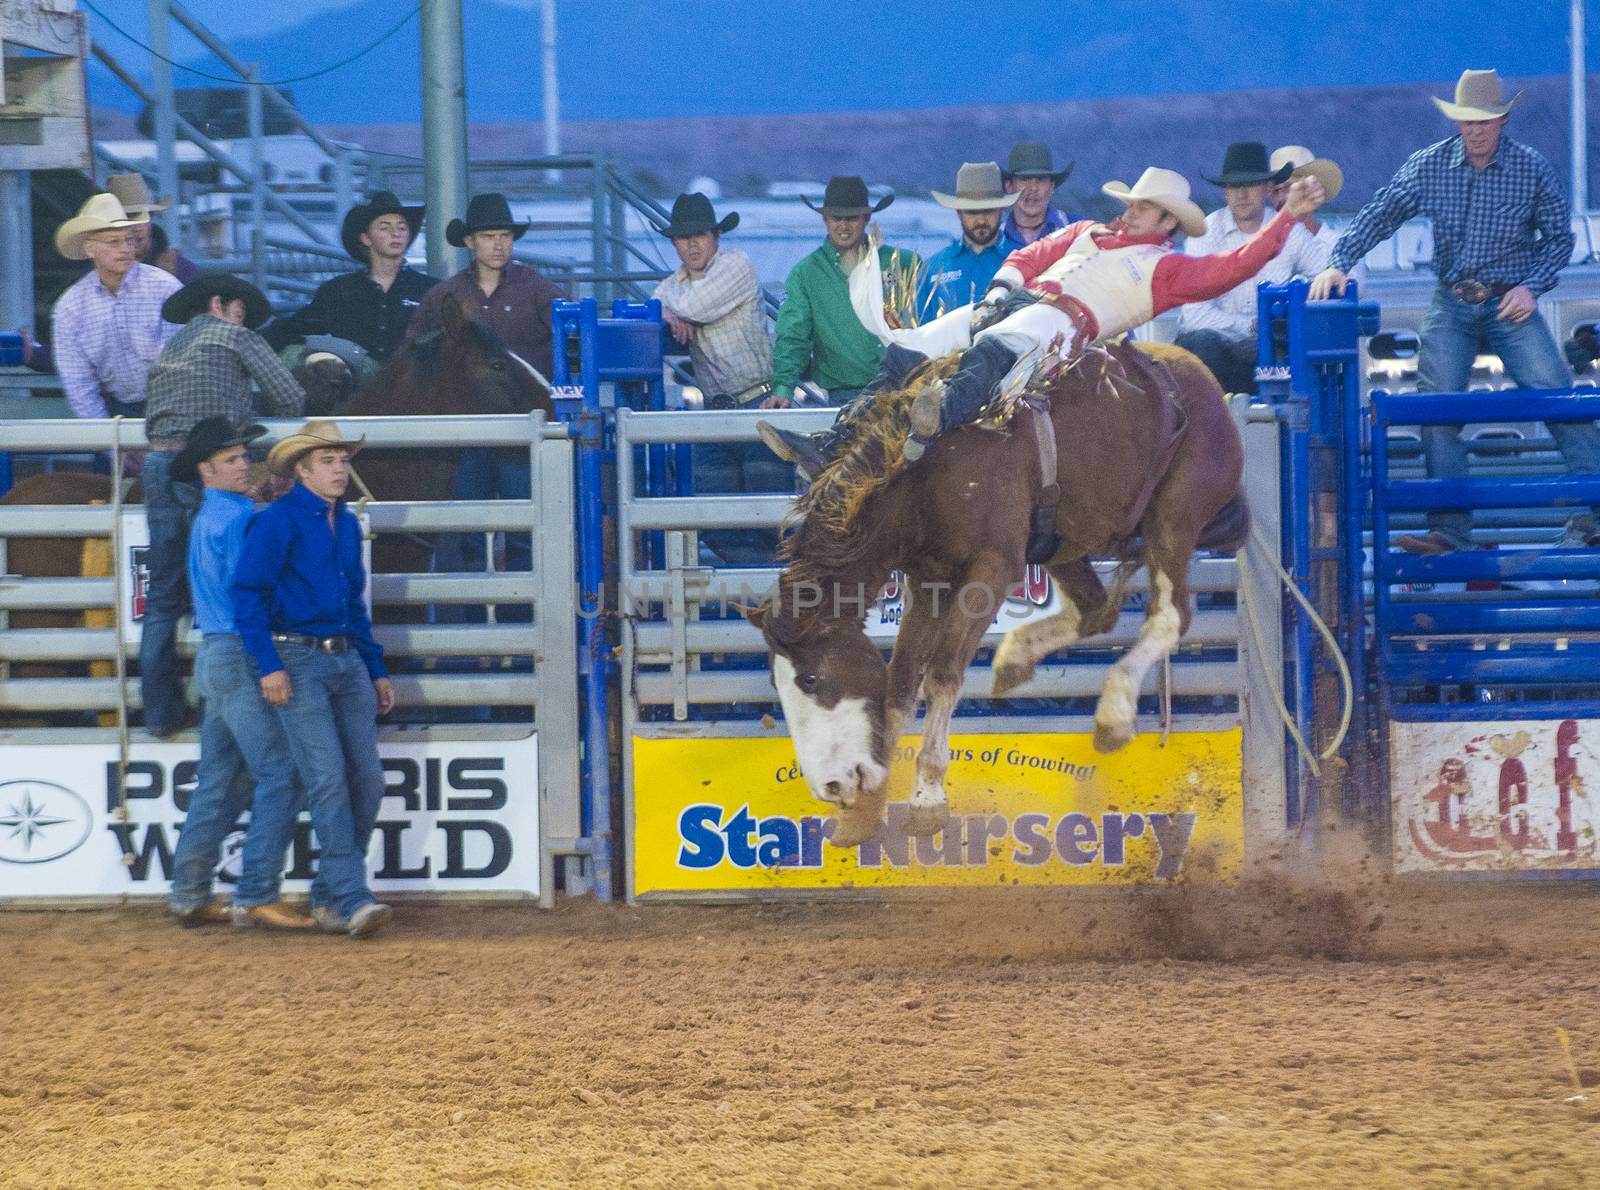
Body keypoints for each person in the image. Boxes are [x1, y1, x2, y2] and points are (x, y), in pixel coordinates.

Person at [760, 167, 1327, 474]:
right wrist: (1001, 289)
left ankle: (927, 427)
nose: (1130, 210)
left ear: (1165, 220)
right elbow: (1032, 255)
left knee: (998, 350)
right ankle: (834, 444)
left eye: (1143, 206)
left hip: (1066, 326)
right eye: (1132, 201)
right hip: (1021, 301)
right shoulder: (1086, 232)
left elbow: (1233, 267)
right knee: (908, 348)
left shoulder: (1166, 267)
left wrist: (1284, 224)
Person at [1311, 68, 1600, 553]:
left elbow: (1560, 239)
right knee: (1435, 407)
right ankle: (1450, 530)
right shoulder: (1430, 165)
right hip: (1452, 297)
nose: (1475, 130)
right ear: (1457, 122)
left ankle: (1592, 515)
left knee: (1559, 399)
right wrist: (1338, 261)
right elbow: (1383, 211)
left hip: (1511, 299)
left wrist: (1531, 287)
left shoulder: (1530, 168)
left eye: (1484, 121)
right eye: (1467, 122)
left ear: (1502, 120)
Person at [232, 420, 394, 938]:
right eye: (328, 461)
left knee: (365, 778)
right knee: (327, 777)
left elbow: (353, 604)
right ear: (301, 470)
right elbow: (247, 596)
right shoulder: (278, 522)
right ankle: (347, 897)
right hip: (296, 657)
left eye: (343, 460)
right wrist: (269, 664)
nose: (340, 469)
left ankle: (333, 894)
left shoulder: (343, 525)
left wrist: (375, 667)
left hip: (341, 659)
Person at [139, 272, 305, 738]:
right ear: (220, 304)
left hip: (158, 466)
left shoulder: (169, 349)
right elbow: (291, 398)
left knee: (164, 594)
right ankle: (233, 704)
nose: (243, 318)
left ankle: (160, 713)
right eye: (240, 309)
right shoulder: (233, 335)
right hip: (207, 464)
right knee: (233, 580)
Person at [166, 418, 313, 931]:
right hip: (241, 652)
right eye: (231, 460)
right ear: (207, 470)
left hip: (216, 652)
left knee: (219, 778)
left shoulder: (213, 516)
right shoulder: (242, 520)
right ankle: (256, 891)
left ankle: (189, 892)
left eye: (241, 456)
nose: (243, 464)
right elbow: (254, 594)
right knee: (280, 771)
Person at [409, 193, 567, 612]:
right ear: (470, 243)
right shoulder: (445, 297)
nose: (498, 244)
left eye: (505, 235)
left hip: (522, 429)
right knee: (463, 533)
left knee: (524, 532)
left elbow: (573, 339)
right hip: (465, 431)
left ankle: (523, 634)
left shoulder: (537, 289)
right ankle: (466, 637)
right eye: (488, 236)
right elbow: (415, 355)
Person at [652, 192, 786, 564]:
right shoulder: (673, 286)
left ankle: (783, 599)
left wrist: (665, 311)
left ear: (716, 237)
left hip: (759, 402)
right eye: (683, 237)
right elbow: (654, 307)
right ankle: (762, 592)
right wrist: (663, 311)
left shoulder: (736, 266)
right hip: (716, 410)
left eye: (700, 235)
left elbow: (690, 306)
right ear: (675, 243)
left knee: (771, 519)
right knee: (715, 518)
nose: (692, 244)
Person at [1175, 142, 1339, 394]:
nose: (1241, 195)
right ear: (1224, 192)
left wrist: (1287, 311)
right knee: (1203, 345)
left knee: (1284, 352)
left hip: (1269, 350)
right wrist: (1253, 326)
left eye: (1249, 185)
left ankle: (1290, 426)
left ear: (1266, 187)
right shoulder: (1205, 233)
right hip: (1216, 352)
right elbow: (1195, 315)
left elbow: (1323, 274)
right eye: (1234, 186)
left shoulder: (1290, 231)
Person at [768, 176, 920, 409]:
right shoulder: (806, 274)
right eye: (836, 218)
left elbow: (930, 322)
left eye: (851, 218)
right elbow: (793, 335)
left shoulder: (904, 263)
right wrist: (783, 388)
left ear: (867, 218)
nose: (843, 226)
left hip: (904, 392)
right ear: (825, 219)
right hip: (844, 397)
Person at [263, 190, 436, 373]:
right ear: (366, 238)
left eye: (402, 228)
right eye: (384, 227)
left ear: (408, 237)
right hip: (354, 395)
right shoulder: (338, 291)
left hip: (413, 394)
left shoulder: (431, 290)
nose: (396, 233)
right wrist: (248, 341)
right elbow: (294, 328)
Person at [50, 193, 181, 419]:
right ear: (89, 249)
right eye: (114, 241)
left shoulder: (165, 288)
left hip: (176, 404)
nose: (125, 249)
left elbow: (182, 364)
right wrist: (107, 438)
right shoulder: (71, 308)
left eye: (129, 240)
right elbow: (79, 384)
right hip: (117, 410)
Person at [917, 162, 1020, 321]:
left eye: (988, 210)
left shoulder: (1022, 262)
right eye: (972, 212)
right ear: (959, 212)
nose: (981, 219)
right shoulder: (933, 267)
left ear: (1001, 209)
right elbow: (917, 330)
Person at [107, 173, 200, 282]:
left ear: (151, 218)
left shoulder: (181, 269)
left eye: (142, 217)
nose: (136, 227)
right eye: (128, 218)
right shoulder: (97, 270)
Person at [1000, 143, 1083, 249]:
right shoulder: (995, 239)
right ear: (1009, 187)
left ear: (1051, 186)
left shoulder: (1078, 230)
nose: (1033, 188)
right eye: (1025, 179)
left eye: (1040, 179)